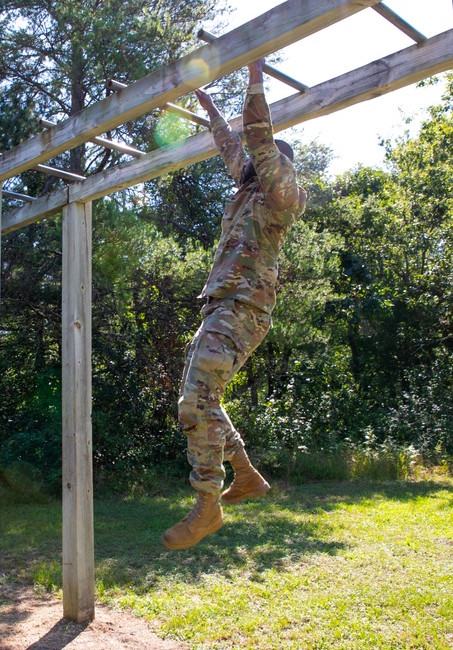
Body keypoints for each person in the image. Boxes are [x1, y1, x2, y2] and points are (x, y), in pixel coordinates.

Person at [162, 59, 308, 550]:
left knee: (193, 402)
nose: (246, 162)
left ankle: (208, 505)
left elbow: (259, 139)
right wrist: (207, 105)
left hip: (243, 307)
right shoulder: (246, 191)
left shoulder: (282, 195)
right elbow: (232, 144)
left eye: (258, 161)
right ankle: (244, 476)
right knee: (204, 399)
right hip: (224, 306)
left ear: (275, 166)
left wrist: (254, 78)